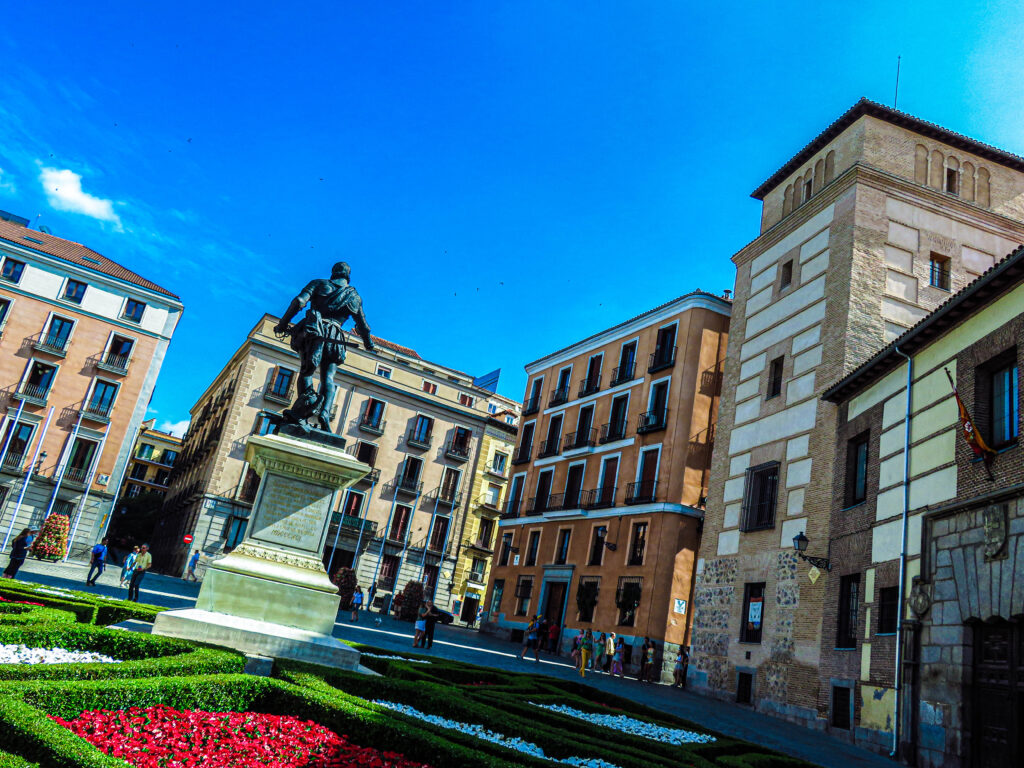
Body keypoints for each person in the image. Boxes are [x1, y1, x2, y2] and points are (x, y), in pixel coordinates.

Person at [273, 262, 375, 431]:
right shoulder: (354, 297)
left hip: (314, 331)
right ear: (348, 276)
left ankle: (303, 412)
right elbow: (363, 326)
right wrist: (368, 343)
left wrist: (283, 324)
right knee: (328, 377)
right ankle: (325, 413)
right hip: (335, 336)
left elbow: (299, 301)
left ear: (333, 273)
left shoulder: (319, 284)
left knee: (307, 371)